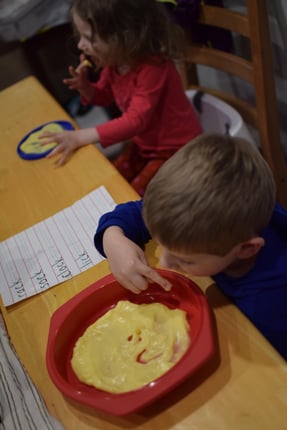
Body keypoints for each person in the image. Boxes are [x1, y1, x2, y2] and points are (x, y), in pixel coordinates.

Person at [94, 133, 287, 360]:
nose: (164, 263)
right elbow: (136, 212)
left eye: (184, 260)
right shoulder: (203, 216)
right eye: (164, 247)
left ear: (246, 249)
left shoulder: (269, 304)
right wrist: (113, 238)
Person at [40, 0, 202, 196]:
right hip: (145, 145)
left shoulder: (154, 68)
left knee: (129, 196)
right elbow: (106, 95)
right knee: (109, 180)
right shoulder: (116, 63)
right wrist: (87, 89)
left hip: (178, 149)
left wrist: (82, 136)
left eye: (88, 38)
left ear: (124, 37)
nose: (80, 45)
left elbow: (135, 121)